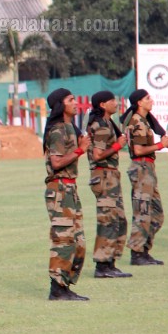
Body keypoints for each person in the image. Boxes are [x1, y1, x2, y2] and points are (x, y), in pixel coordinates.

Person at [42, 88, 91, 301]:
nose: (75, 103)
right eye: (71, 99)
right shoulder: (58, 130)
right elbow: (57, 162)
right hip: (60, 189)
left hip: (70, 188)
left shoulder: (71, 127)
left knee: (78, 242)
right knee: (63, 239)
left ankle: (65, 285)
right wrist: (81, 150)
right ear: (61, 105)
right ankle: (57, 288)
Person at [121, 89, 168, 266]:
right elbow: (137, 150)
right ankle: (137, 253)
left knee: (156, 215)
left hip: (148, 168)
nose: (151, 101)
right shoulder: (136, 122)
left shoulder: (144, 121)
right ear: (139, 103)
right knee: (142, 212)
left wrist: (163, 143)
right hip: (141, 167)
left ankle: (143, 249)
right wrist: (160, 145)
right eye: (147, 98)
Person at [85, 91, 132, 278]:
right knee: (108, 220)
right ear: (102, 105)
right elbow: (97, 155)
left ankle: (110, 262)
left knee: (118, 219)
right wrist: (118, 146)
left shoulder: (108, 123)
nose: (116, 103)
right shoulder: (101, 126)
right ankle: (103, 265)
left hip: (110, 175)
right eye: (112, 100)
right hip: (104, 175)